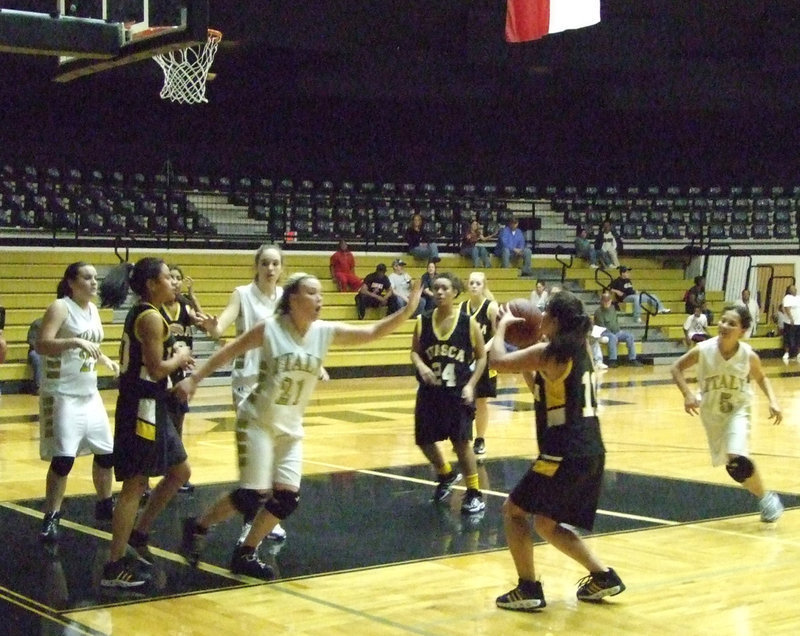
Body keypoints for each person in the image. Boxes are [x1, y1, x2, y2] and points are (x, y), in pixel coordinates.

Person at [176, 273, 423, 578]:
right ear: (293, 299)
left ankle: (246, 553)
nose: (319, 299)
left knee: (287, 499)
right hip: (257, 422)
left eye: (321, 294)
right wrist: (195, 379)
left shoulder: (324, 331)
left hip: (290, 428)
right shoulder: (270, 329)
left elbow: (371, 332)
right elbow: (229, 351)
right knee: (252, 495)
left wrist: (406, 311)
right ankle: (198, 526)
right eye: (311, 293)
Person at [489, 290, 625, 610]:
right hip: (591, 451)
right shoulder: (582, 350)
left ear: (552, 320)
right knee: (546, 524)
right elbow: (541, 391)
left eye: (545, 314)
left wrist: (501, 327)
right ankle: (603, 576)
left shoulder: (549, 352)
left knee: (513, 511)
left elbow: (496, 361)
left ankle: (528, 588)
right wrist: (524, 346)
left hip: (563, 452)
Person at [97, 257, 194, 588]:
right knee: (135, 484)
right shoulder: (151, 317)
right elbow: (155, 370)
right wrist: (179, 357)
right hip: (142, 408)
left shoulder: (147, 311)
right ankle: (113, 566)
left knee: (180, 472)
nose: (174, 283)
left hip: (154, 404)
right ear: (152, 284)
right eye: (168, 278)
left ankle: (139, 533)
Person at [198, 244, 290, 541]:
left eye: (275, 263)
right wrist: (213, 328)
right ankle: (250, 523)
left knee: (273, 453)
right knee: (257, 453)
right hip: (247, 383)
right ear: (257, 266)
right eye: (265, 263)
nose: (271, 268)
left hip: (277, 382)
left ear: (282, 267)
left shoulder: (287, 298)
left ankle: (263, 518)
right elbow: (221, 326)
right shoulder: (242, 294)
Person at [670, 305, 784, 524]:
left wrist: (773, 401)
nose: (724, 326)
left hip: (738, 411)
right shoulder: (704, 350)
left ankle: (766, 499)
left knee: (737, 458)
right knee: (733, 467)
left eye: (732, 323)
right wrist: (687, 394)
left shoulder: (748, 355)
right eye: (723, 321)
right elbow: (676, 368)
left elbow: (761, 378)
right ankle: (765, 496)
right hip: (712, 414)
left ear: (742, 330)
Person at [36, 262, 119, 544]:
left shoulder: (93, 310)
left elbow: (89, 346)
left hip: (89, 392)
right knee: (63, 460)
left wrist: (104, 359)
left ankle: (105, 505)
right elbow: (42, 344)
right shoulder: (60, 307)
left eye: (96, 277)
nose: (94, 282)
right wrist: (73, 342)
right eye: (87, 277)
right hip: (63, 393)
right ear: (71, 282)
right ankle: (51, 516)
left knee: (106, 453)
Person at [411, 272, 487, 514]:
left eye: (445, 288)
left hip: (458, 392)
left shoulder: (468, 323)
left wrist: (470, 385)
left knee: (461, 442)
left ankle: (474, 492)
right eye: (436, 288)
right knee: (423, 439)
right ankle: (446, 474)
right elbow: (414, 352)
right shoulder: (423, 321)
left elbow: (482, 356)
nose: (440, 292)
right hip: (431, 391)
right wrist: (421, 366)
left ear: (455, 292)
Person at [162, 264, 208, 493]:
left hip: (180, 373)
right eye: (170, 277)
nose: (174, 281)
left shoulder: (184, 307)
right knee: (159, 426)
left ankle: (175, 473)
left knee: (177, 425)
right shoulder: (156, 308)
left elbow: (202, 322)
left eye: (177, 277)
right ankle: (152, 475)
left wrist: (193, 298)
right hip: (161, 371)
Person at [459, 272, 499, 457]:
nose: (474, 286)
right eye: (471, 282)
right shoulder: (462, 307)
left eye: (478, 283)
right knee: (463, 399)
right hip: (466, 360)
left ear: (484, 286)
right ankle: (463, 436)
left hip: (485, 360)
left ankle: (480, 438)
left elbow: (498, 335)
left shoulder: (491, 307)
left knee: (481, 400)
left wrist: (481, 353)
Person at [594, 291, 642, 367]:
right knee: (613, 337)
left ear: (610, 301)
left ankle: (632, 359)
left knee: (630, 336)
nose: (606, 303)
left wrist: (618, 331)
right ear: (602, 301)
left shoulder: (613, 308)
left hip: (616, 331)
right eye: (604, 302)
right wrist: (613, 334)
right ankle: (612, 360)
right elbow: (602, 327)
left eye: (608, 302)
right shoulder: (598, 312)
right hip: (603, 332)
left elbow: (615, 322)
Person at [780, 284, 800, 362]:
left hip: (799, 322)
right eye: (793, 288)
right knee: (788, 338)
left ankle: (798, 353)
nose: (795, 289)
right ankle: (787, 353)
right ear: (789, 290)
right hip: (790, 322)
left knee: (798, 338)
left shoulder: (798, 297)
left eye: (795, 288)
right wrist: (791, 318)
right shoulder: (787, 298)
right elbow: (787, 308)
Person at [27, 317, 44, 394]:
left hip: (53, 351)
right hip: (37, 351)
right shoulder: (37, 323)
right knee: (36, 356)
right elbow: (32, 342)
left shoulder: (61, 325)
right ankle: (38, 386)